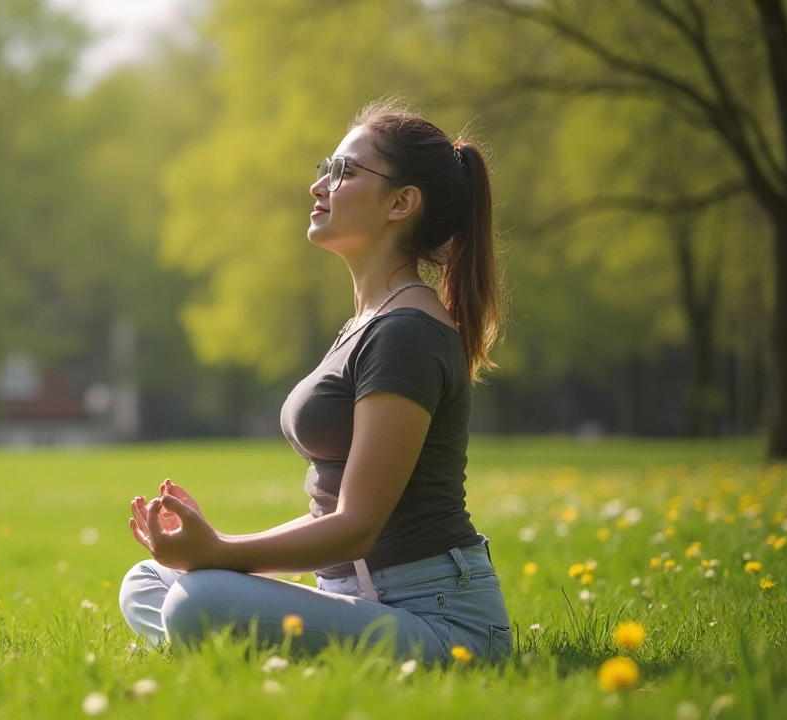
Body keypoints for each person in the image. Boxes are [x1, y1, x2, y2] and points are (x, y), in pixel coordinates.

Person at [117, 100, 512, 665]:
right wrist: (210, 548)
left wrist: (222, 552)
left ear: (401, 203)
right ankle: (240, 642)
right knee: (149, 581)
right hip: (353, 597)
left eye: (344, 171)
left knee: (195, 599)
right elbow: (334, 516)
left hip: (439, 619)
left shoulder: (407, 333)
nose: (319, 185)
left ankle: (221, 643)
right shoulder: (369, 323)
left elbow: (356, 529)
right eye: (327, 167)